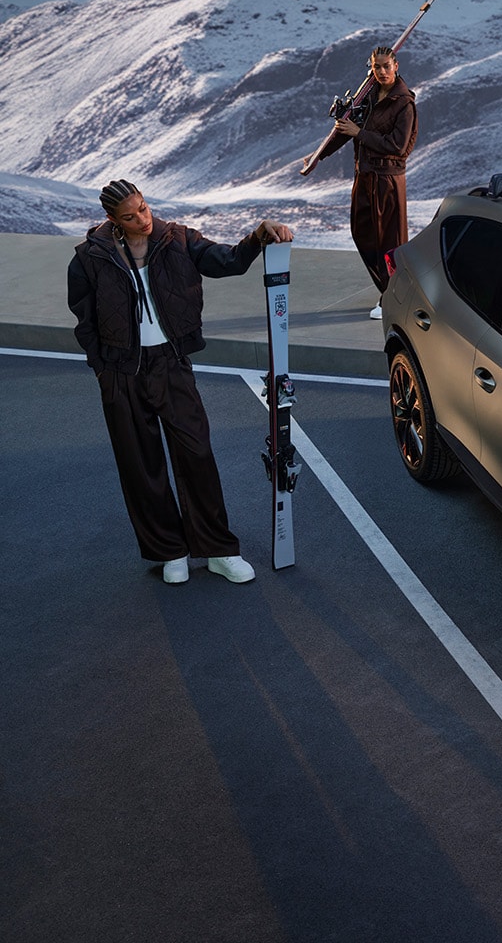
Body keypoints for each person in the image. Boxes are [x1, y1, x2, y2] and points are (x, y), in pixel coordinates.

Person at [67, 179, 295, 585]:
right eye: (130, 216)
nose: (142, 218)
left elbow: (228, 261)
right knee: (141, 465)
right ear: (112, 219)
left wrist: (258, 235)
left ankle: (219, 550)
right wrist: (103, 370)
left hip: (170, 364)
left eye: (143, 207)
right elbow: (84, 321)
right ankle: (169, 551)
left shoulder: (178, 240)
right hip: (121, 372)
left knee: (197, 455)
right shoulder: (89, 258)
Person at [304, 44, 417, 318]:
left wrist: (360, 133)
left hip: (388, 180)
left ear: (396, 66)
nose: (382, 71)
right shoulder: (368, 96)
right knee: (362, 233)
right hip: (364, 176)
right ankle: (388, 290)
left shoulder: (404, 103)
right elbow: (346, 129)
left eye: (386, 66)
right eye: (377, 67)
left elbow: (398, 146)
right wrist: (319, 155)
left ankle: (392, 298)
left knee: (390, 243)